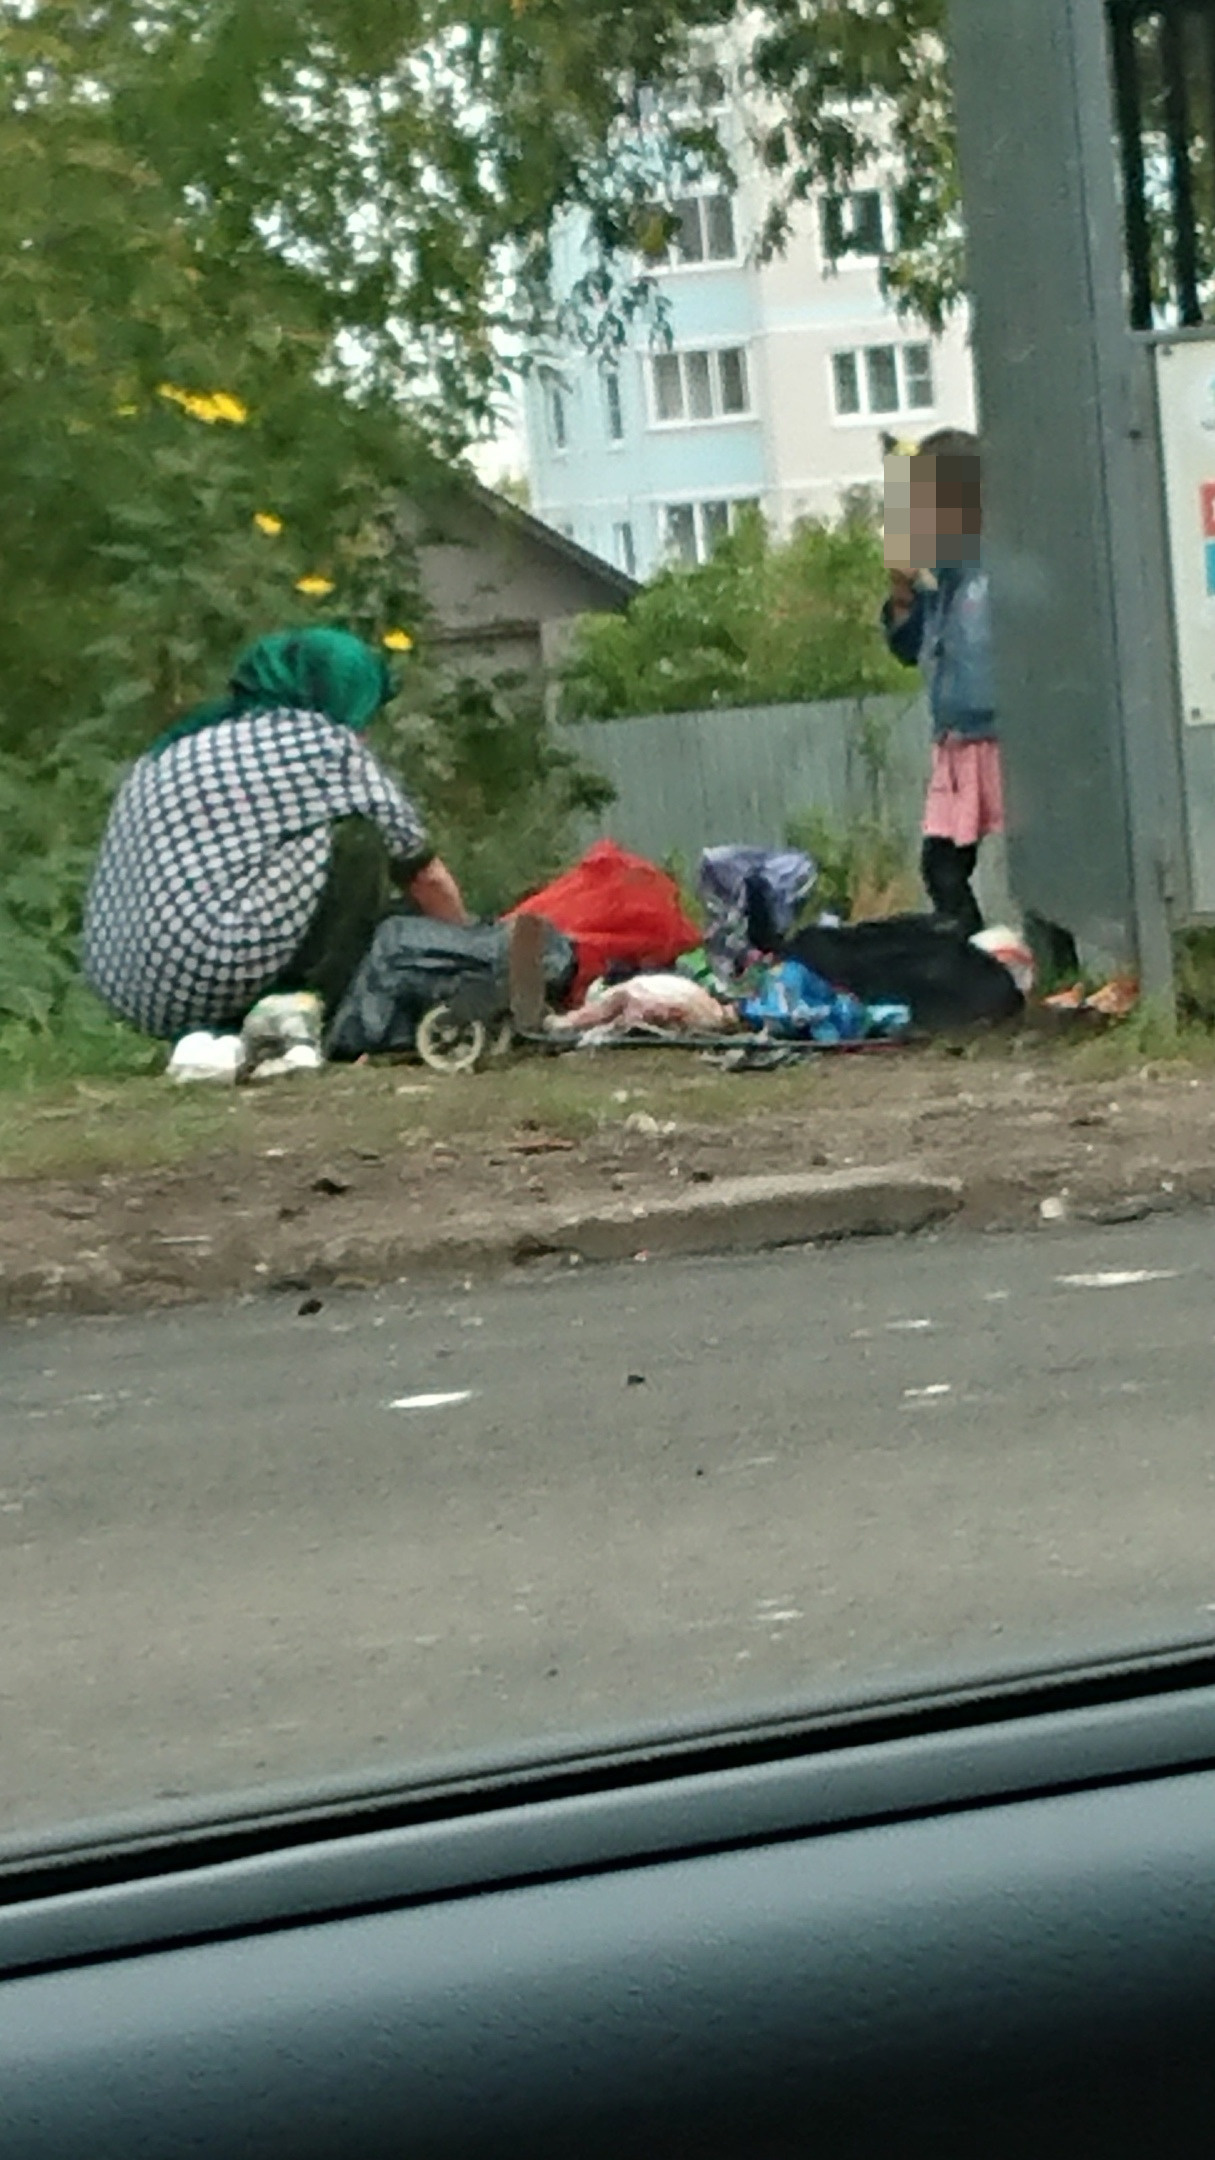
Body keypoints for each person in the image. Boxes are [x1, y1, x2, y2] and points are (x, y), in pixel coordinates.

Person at [82, 626, 469, 1039]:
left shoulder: (188, 740)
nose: (365, 732)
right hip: (210, 971)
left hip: (137, 991)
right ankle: (320, 1014)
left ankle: (241, 1029)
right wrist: (471, 947)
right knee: (360, 839)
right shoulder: (323, 743)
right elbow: (423, 874)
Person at [881, 427, 1002, 941]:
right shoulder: (944, 587)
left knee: (1037, 861)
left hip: (1004, 738)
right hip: (957, 746)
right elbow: (910, 647)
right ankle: (967, 949)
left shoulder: (990, 571)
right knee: (942, 866)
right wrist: (902, 592)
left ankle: (1050, 955)